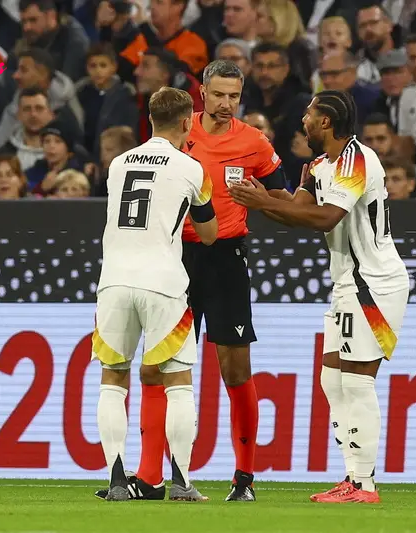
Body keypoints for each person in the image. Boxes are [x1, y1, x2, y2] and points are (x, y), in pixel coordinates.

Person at [228, 90, 410, 504]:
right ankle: (351, 478)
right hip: (347, 284)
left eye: (308, 115)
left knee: (357, 382)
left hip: (372, 283)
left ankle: (363, 485)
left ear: (325, 121)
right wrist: (258, 199)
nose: (303, 123)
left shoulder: (355, 159)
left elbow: (328, 217)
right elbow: (298, 212)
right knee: (333, 380)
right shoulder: (321, 166)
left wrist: (262, 200)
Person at [135, 60, 287, 503]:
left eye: (233, 96)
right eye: (217, 94)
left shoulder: (254, 142)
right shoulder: (178, 136)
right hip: (177, 258)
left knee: (235, 369)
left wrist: (258, 200)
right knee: (160, 366)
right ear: (201, 92)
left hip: (226, 259)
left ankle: (244, 478)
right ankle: (152, 477)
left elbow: (280, 198)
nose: (225, 104)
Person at [92, 87, 217, 502]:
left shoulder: (117, 164)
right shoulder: (192, 168)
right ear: (187, 123)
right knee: (178, 382)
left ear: (148, 120)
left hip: (114, 279)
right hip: (163, 281)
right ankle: (181, 481)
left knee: (113, 380)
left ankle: (115, 480)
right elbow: (210, 233)